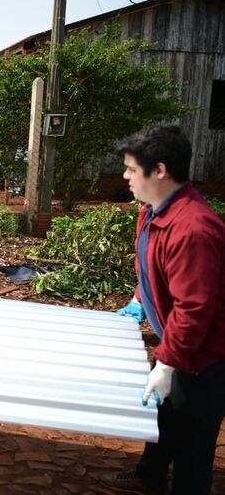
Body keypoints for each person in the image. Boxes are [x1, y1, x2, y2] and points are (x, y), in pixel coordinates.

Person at [100, 125, 225, 495]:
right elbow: (153, 268)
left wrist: (168, 362)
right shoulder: (153, 212)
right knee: (164, 420)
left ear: (159, 170)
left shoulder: (193, 229)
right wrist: (140, 301)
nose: (124, 176)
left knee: (192, 449)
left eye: (131, 169)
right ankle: (149, 475)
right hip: (180, 346)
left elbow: (194, 308)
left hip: (204, 359)